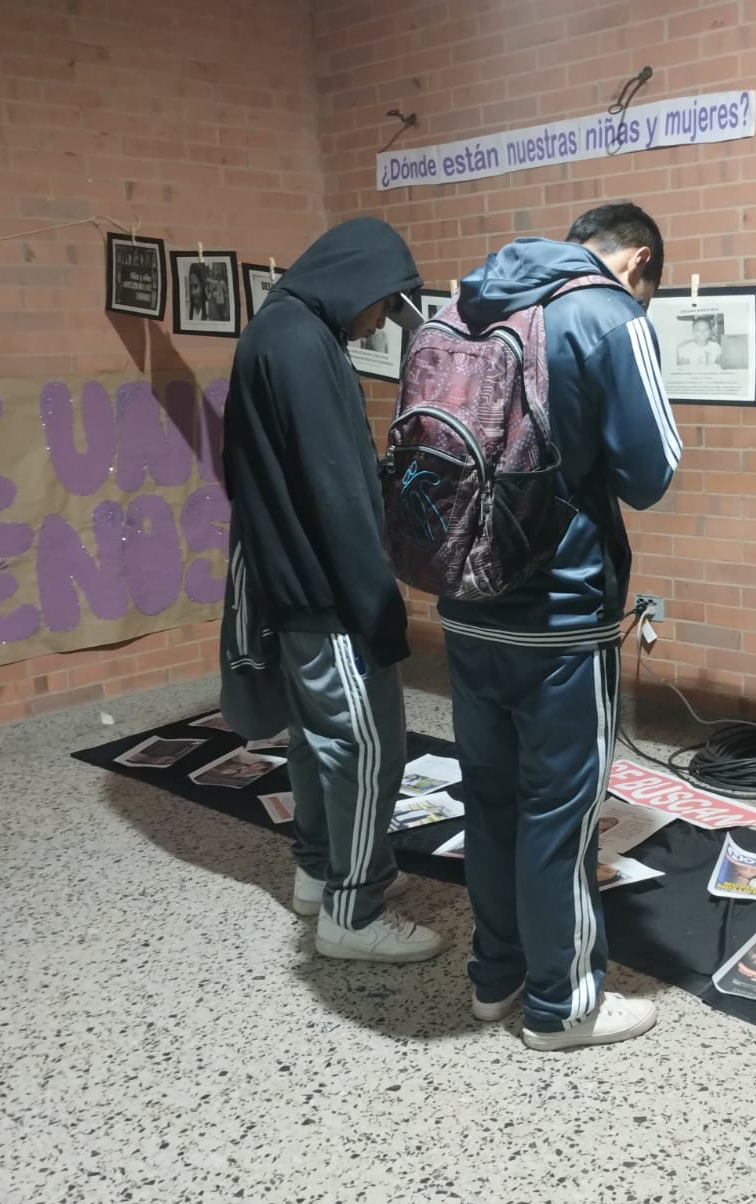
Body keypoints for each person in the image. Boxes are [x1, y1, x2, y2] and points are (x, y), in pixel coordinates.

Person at [443, 202, 680, 1050]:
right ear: (638, 261)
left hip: (465, 605)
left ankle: (496, 977)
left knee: (491, 800)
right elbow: (653, 473)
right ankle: (563, 1003)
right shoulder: (607, 313)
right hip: (559, 615)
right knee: (561, 812)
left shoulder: (465, 303)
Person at [219, 216, 444, 964]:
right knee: (369, 747)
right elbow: (337, 492)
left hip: (291, 581)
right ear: (360, 281)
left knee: (319, 745)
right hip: (329, 592)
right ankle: (354, 912)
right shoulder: (303, 347)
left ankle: (319, 874)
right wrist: (378, 607)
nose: (379, 321)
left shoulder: (273, 332)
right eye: (384, 304)